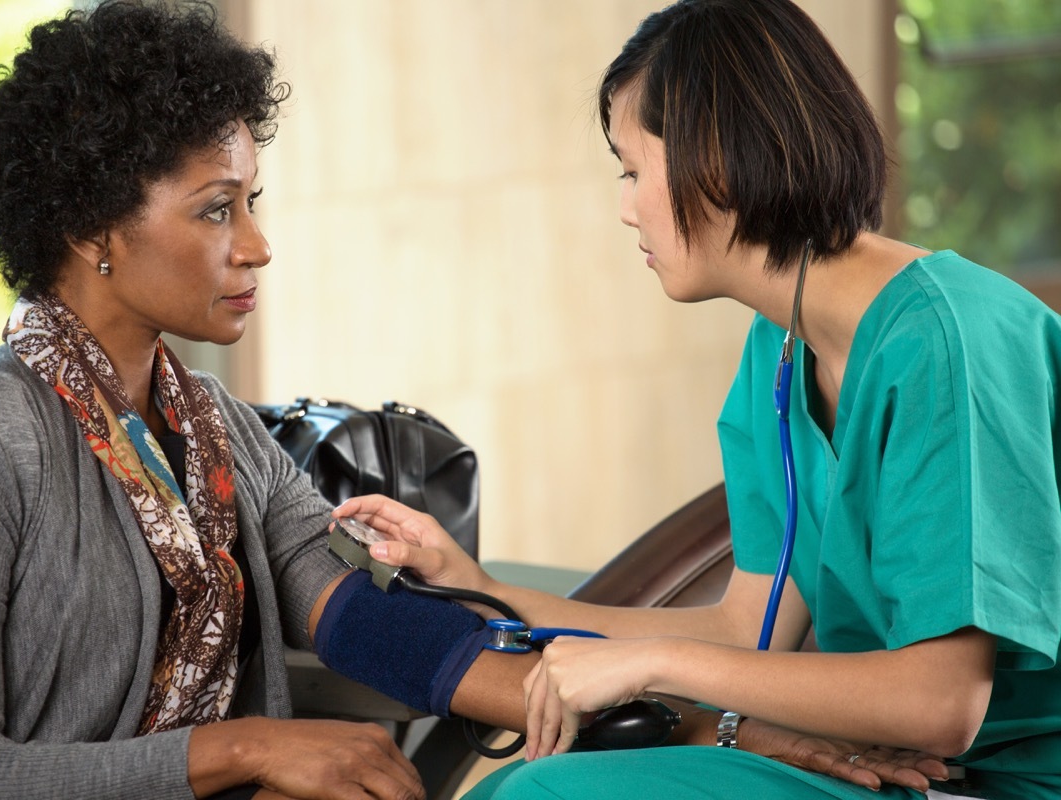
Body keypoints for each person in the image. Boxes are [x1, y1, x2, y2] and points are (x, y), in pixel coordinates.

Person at [0, 1, 994, 798]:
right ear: (91, 228)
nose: (259, 244)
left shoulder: (214, 433)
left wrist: (726, 726)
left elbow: (362, 617)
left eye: (255, 200)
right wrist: (248, 749)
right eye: (217, 210)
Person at [336, 1, 1061, 798]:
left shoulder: (951, 345)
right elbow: (743, 630)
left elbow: (943, 700)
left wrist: (650, 662)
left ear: (717, 157)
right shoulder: (780, 342)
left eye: (631, 169)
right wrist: (488, 590)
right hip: (899, 776)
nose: (623, 206)